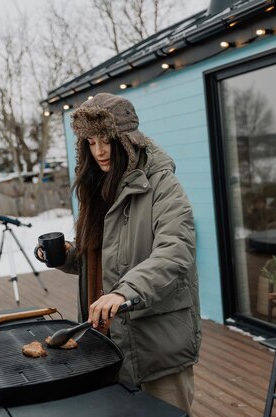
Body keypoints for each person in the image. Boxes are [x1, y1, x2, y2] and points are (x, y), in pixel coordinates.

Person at [37, 92, 201, 415]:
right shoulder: (97, 189)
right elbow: (98, 258)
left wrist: (125, 292)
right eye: (91, 141)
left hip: (157, 349)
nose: (99, 151)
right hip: (106, 344)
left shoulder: (163, 186)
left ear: (127, 139)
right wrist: (64, 256)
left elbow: (175, 252)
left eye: (107, 140)